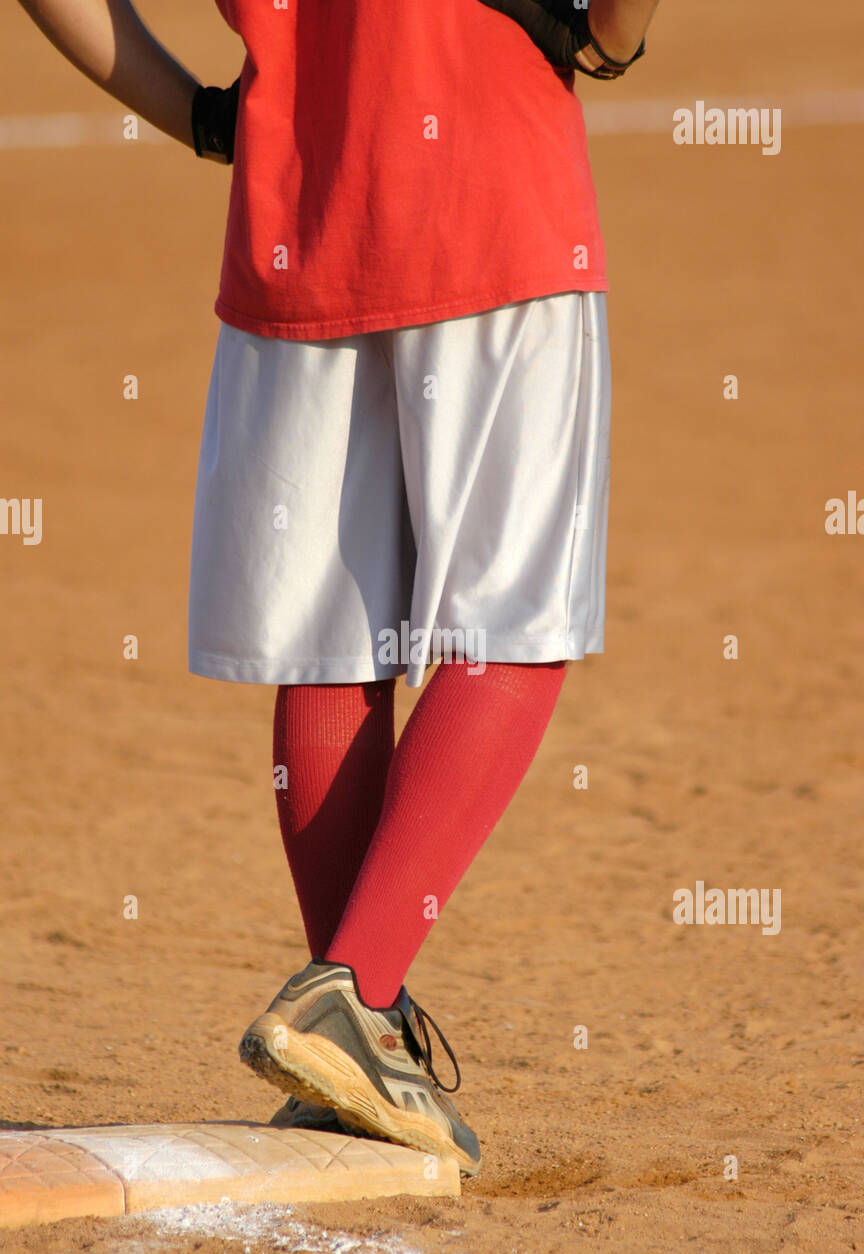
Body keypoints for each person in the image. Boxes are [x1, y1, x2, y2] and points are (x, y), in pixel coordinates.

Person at [19, 0, 659, 1177]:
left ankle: (349, 1041)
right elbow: (615, 20)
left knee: (330, 646)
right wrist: (616, 35)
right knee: (513, 627)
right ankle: (354, 994)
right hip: (497, 190)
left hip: (297, 215)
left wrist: (214, 118)